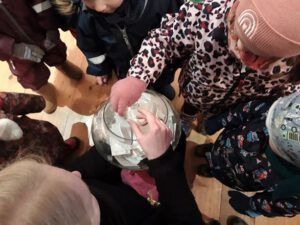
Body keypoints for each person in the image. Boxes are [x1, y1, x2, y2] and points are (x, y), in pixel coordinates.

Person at [109, 0, 300, 135]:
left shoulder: (293, 70)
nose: (239, 50)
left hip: (236, 105)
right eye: (235, 33)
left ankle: (205, 122)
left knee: (213, 119)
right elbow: (165, 39)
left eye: (256, 55)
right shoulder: (209, 13)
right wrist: (137, 75)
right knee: (191, 105)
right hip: (198, 89)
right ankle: (186, 117)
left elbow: (286, 100)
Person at [0, 109, 207, 225]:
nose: (75, 174)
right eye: (86, 197)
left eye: (56, 170)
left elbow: (86, 169)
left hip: (122, 190)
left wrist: (116, 140)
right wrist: (162, 162)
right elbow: (186, 221)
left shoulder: (64, 190)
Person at [194, 92, 300, 218]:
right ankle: (212, 152)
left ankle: (214, 171)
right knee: (219, 151)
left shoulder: (293, 185)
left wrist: (251, 206)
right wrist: (219, 121)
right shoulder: (281, 112)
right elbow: (246, 110)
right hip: (228, 142)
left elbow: (280, 204)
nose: (265, 137)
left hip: (239, 178)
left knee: (222, 172)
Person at [52, 0, 184, 100]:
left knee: (161, 80)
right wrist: (101, 70)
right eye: (89, 1)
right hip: (123, 65)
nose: (100, 7)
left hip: (159, 65)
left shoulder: (161, 3)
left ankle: (161, 87)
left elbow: (176, 34)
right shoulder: (87, 18)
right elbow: (92, 49)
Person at [0, 0, 83, 114]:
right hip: (14, 51)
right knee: (29, 76)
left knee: (56, 52)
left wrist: (50, 27)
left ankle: (63, 65)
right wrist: (14, 49)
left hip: (39, 30)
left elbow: (40, 2)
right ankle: (47, 92)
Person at [0, 92, 80, 166]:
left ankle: (62, 150)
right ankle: (63, 151)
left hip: (23, 165)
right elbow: (24, 102)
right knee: (52, 142)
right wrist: (39, 102)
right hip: (39, 135)